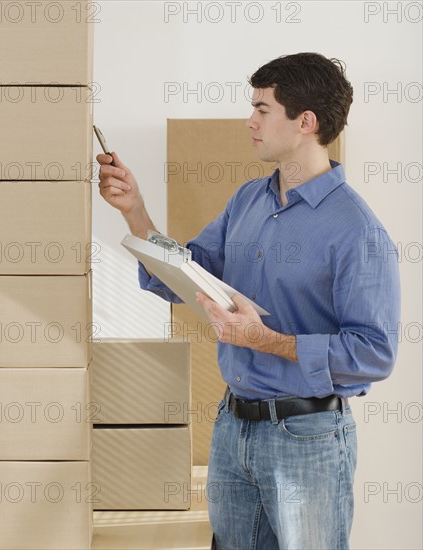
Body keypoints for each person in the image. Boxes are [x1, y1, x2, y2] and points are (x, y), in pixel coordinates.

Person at [97, 52, 401, 550]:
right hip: (232, 429)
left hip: (308, 438)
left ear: (306, 122)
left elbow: (373, 353)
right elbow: (188, 272)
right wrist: (136, 212)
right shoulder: (248, 201)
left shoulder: (357, 232)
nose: (250, 121)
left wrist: (266, 340)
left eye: (263, 109)